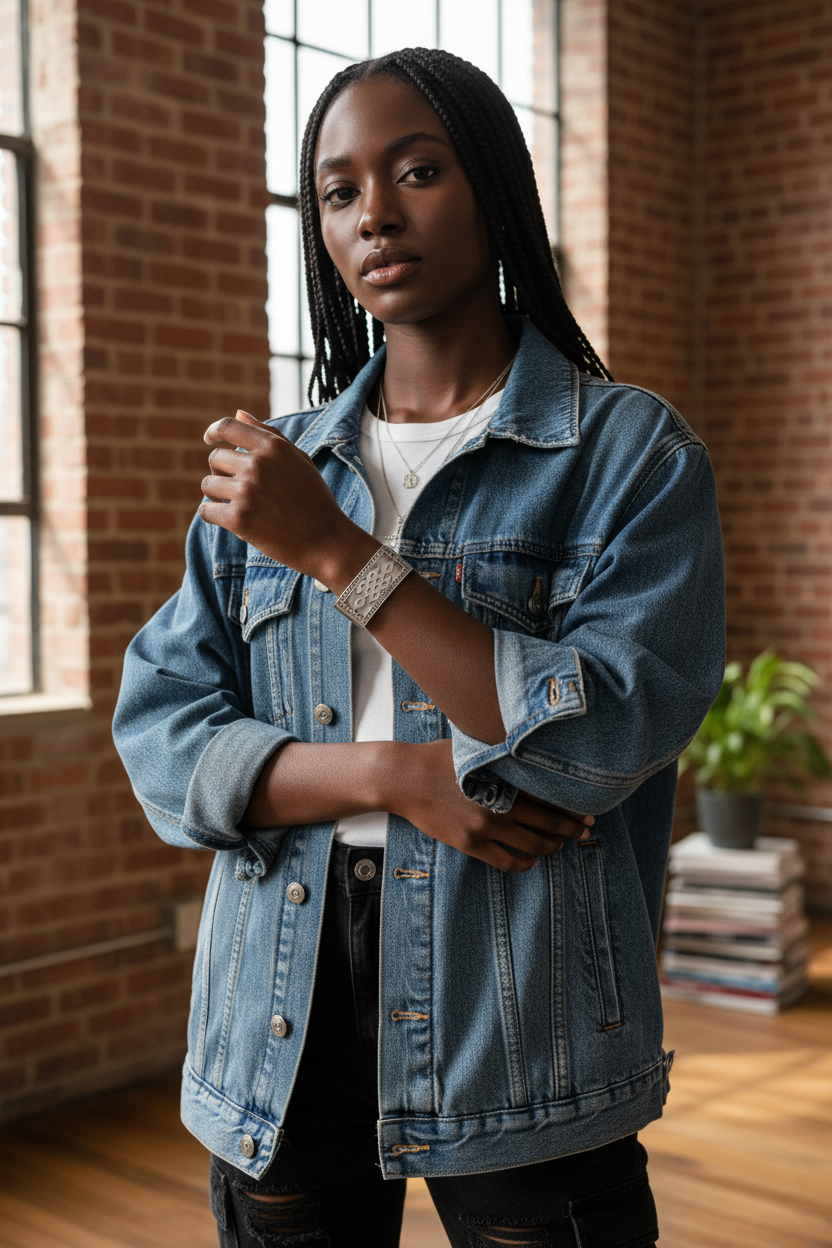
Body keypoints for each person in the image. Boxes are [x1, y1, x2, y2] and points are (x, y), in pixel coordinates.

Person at [113, 47, 724, 1248]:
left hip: (523, 1008)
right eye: (337, 193)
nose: (375, 216)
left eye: (418, 171)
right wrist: (398, 779)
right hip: (279, 1009)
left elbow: (599, 738)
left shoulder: (631, 457)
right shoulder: (271, 470)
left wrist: (344, 556)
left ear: (494, 190)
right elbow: (163, 739)